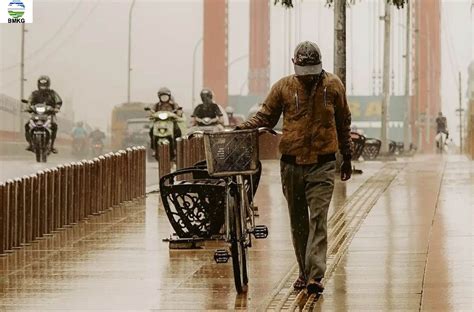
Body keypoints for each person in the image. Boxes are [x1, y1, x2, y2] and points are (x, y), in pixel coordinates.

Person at [236, 41, 353, 294]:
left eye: (313, 70)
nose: (309, 77)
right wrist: (242, 129)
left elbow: (344, 121)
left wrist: (347, 157)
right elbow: (265, 116)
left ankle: (315, 276)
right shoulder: (283, 87)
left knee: (318, 218)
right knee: (298, 222)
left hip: (323, 164)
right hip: (291, 165)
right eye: (304, 71)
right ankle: (303, 270)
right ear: (294, 65)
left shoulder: (333, 86)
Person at [24, 75, 62, 153]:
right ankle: (30, 144)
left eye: (44, 84)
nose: (43, 86)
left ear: (48, 84)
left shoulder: (52, 93)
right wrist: (28, 107)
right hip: (35, 114)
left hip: (48, 114)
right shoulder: (34, 93)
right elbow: (29, 101)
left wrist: (56, 108)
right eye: (41, 84)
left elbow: (58, 101)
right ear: (38, 84)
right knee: (27, 125)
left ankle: (52, 146)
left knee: (54, 126)